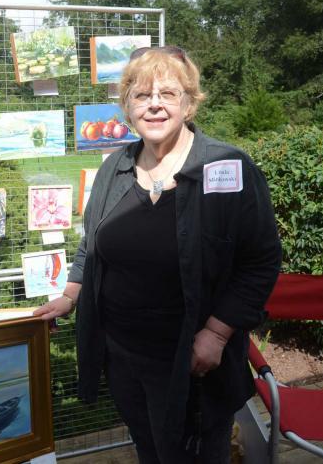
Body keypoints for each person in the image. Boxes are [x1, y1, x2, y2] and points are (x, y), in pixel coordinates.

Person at [35, 46, 281, 463]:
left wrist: (218, 333)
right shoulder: (115, 166)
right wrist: (71, 294)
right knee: (150, 451)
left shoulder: (228, 166)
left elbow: (260, 260)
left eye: (167, 94)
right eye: (141, 95)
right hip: (125, 356)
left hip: (192, 363)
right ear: (127, 107)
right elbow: (92, 244)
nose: (154, 105)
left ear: (189, 103)